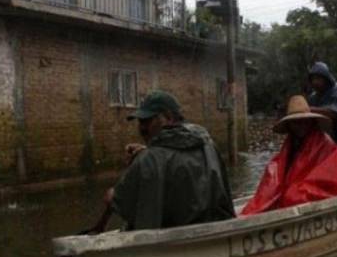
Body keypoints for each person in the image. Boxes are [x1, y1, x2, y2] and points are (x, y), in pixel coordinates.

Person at [93, 90, 235, 232]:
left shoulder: (148, 160)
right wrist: (148, 150)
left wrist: (112, 194)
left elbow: (117, 202)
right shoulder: (207, 144)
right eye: (140, 122)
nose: (142, 128)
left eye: (147, 121)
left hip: (173, 241)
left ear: (168, 117)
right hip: (215, 227)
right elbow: (177, 156)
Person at [241, 95, 337, 215]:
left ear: (311, 122)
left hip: (317, 200)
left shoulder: (328, 147)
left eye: (304, 122)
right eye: (296, 123)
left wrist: (294, 193)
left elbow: (332, 179)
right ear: (289, 125)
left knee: (291, 196)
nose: (301, 126)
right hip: (294, 200)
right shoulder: (289, 147)